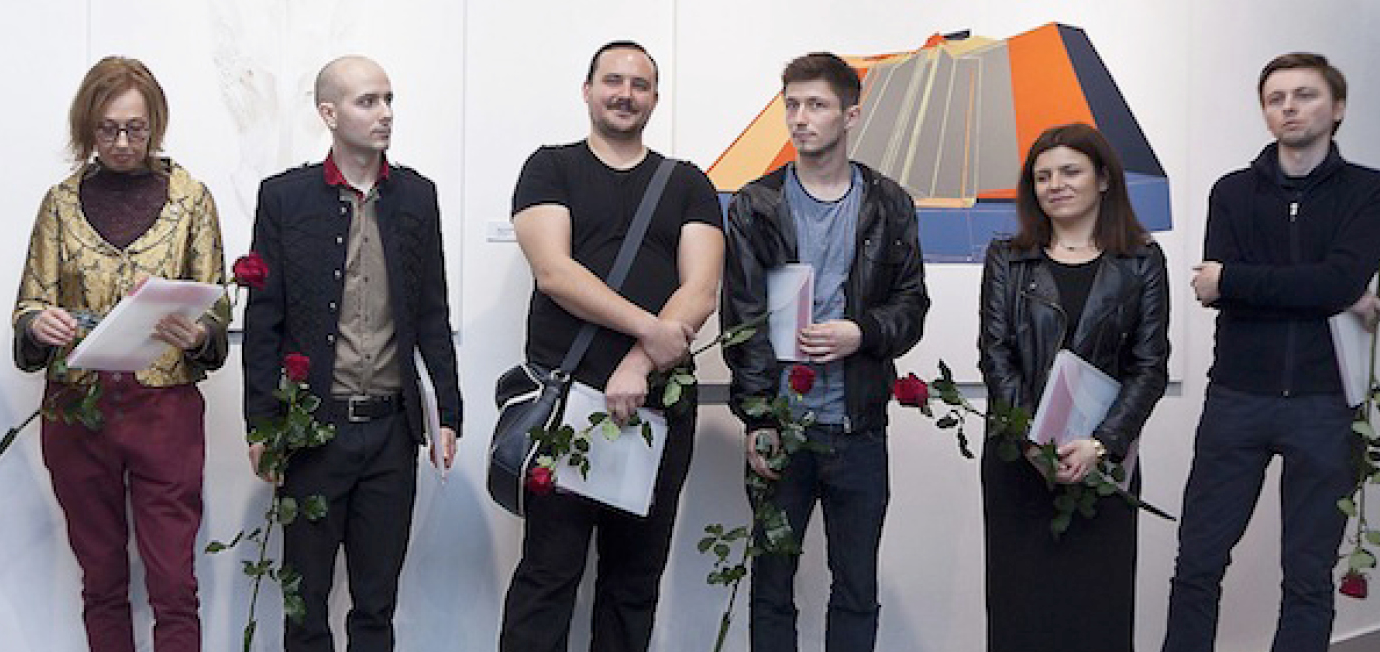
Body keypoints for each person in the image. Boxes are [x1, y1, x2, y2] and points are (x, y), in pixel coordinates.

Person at [497, 40, 723, 652]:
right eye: (613, 80)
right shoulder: (549, 168)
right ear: (588, 90)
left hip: (659, 407)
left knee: (633, 583)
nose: (625, 94)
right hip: (565, 403)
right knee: (547, 577)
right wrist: (650, 329)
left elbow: (701, 289)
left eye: (639, 84)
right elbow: (555, 274)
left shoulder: (688, 182)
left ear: (655, 98)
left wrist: (640, 363)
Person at [241, 54, 462, 652]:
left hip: (392, 430)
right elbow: (264, 319)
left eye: (389, 99)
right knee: (305, 603)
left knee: (376, 605)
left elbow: (433, 313)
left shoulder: (417, 197)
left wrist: (447, 412)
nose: (385, 113)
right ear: (329, 113)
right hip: (314, 430)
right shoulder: (285, 198)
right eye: (368, 101)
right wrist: (262, 423)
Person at [11, 56, 230, 652]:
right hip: (77, 407)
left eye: (136, 128)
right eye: (108, 130)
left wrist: (200, 335)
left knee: (173, 583)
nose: (124, 143)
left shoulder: (190, 199)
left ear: (155, 123)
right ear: (87, 126)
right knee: (101, 580)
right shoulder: (60, 203)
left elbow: (216, 306)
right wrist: (38, 324)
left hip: (164, 409)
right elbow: (30, 303)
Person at [1165, 52, 1380, 652]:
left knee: (1309, 575)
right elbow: (1218, 291)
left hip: (1326, 404)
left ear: (1337, 108)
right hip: (1237, 398)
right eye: (1275, 98)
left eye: (1305, 95)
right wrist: (1329, 292)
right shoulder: (1232, 191)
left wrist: (1236, 280)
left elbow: (1333, 280)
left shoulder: (1369, 191)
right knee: (1198, 561)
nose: (1289, 107)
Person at [721, 52, 929, 652]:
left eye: (816, 105)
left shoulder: (888, 203)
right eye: (792, 105)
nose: (800, 118)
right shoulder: (757, 204)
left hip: (857, 428)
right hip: (782, 429)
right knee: (771, 588)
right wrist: (758, 416)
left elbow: (912, 305)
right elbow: (741, 318)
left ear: (850, 115)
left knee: (856, 589)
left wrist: (862, 332)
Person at [977, 123, 1171, 651]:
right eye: (1042, 176)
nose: (1055, 185)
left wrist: (1102, 444)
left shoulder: (1142, 260)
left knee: (1097, 608)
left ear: (1103, 179)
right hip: (1019, 460)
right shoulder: (1007, 257)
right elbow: (995, 354)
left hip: (1103, 461)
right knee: (1021, 609)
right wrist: (1034, 440)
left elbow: (1149, 366)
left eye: (1070, 171)